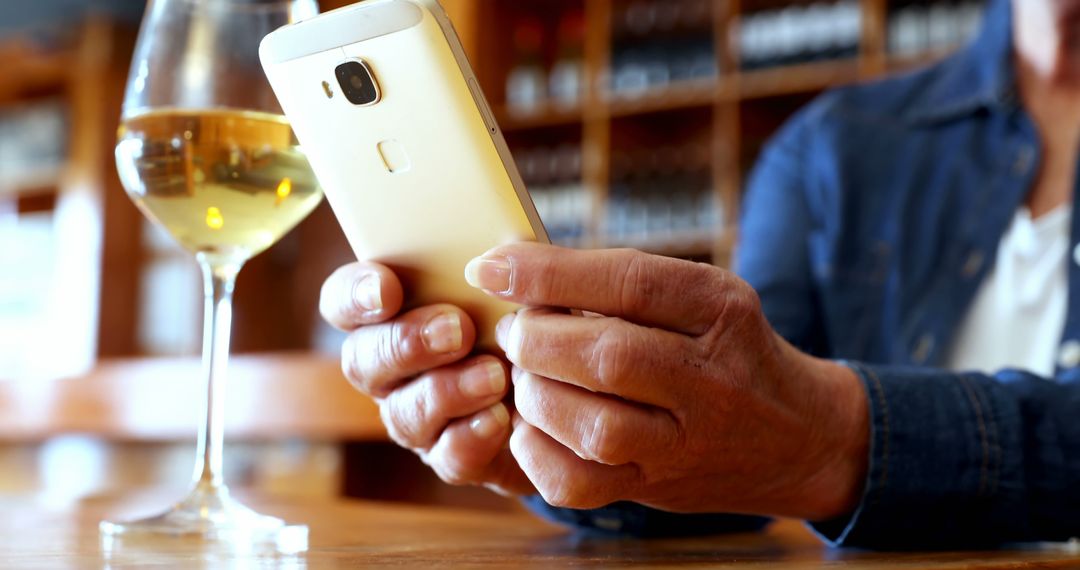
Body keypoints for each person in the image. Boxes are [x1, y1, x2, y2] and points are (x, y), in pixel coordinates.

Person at [318, 0, 1080, 549]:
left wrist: (838, 441)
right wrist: (587, 443)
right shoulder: (832, 151)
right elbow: (734, 461)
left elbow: (797, 437)